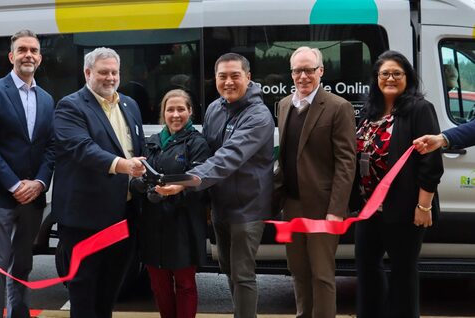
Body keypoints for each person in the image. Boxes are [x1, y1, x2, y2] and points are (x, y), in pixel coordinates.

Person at [177, 53, 274, 318]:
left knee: (242, 274)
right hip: (220, 206)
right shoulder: (214, 109)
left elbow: (228, 157)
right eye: (223, 76)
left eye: (235, 76)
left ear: (248, 77)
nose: (228, 82)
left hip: (248, 208)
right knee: (228, 270)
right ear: (215, 79)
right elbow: (205, 153)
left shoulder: (259, 115)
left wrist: (186, 181)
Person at [53, 47, 146, 318]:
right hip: (86, 218)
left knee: (110, 291)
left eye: (115, 72)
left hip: (124, 214)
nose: (110, 77)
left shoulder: (130, 104)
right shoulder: (70, 106)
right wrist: (123, 165)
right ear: (88, 72)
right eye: (104, 72)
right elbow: (82, 148)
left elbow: (137, 148)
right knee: (83, 292)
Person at [352, 50, 444, 318]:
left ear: (407, 77)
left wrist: (423, 207)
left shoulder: (419, 109)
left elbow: (431, 163)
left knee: (403, 272)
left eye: (397, 73)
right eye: (384, 74)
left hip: (404, 208)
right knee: (367, 269)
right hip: (369, 209)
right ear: (376, 78)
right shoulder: (369, 111)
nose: (390, 78)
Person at [0, 29, 55, 318]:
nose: (28, 55)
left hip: (33, 198)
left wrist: (40, 183)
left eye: (33, 50)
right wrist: (13, 184)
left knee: (23, 266)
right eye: (22, 50)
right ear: (11, 56)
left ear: (40, 58)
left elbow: (51, 148)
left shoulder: (47, 99)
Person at [274, 46, 356, 318]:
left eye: (309, 69)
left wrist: (337, 209)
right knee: (298, 271)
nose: (303, 76)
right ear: (291, 73)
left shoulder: (338, 107)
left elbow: (346, 162)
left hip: (323, 208)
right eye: (297, 70)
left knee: (322, 274)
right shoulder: (284, 105)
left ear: (321, 71)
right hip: (293, 205)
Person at [136, 89, 210, 318]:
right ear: (163, 113)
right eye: (170, 109)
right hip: (152, 224)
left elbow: (200, 185)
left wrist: (175, 193)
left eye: (181, 109)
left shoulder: (197, 143)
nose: (175, 114)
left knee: (185, 284)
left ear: (190, 112)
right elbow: (139, 176)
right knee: (159, 285)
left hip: (183, 225)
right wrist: (142, 186)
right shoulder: (151, 143)